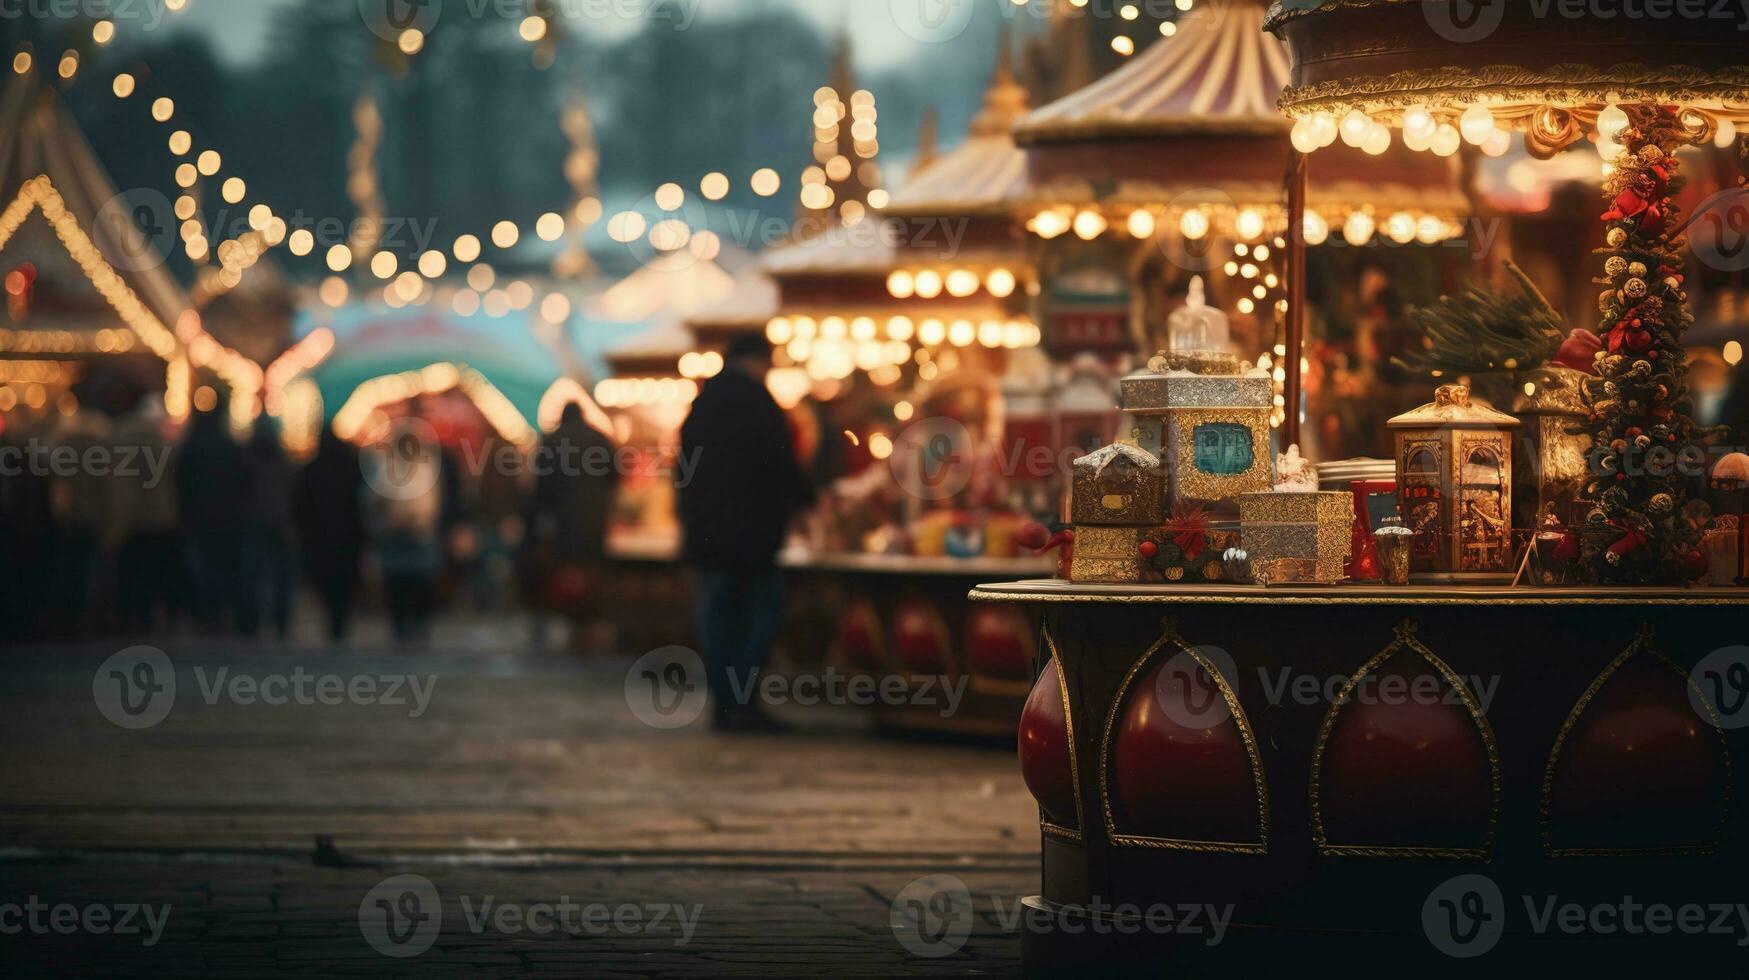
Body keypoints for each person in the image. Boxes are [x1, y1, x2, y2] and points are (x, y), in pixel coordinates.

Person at [678, 335, 814, 731]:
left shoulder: (701, 405)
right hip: (751, 535)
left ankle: (725, 702)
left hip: (707, 534)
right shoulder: (759, 403)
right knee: (762, 611)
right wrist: (805, 502)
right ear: (759, 361)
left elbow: (684, 472)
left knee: (717, 619)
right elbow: (780, 464)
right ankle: (741, 699)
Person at [523, 403, 619, 646]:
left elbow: (541, 489)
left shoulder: (553, 441)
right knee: (592, 576)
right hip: (595, 522)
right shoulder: (599, 438)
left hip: (564, 524)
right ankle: (588, 628)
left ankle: (573, 627)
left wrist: (538, 526)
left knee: (567, 576)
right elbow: (615, 477)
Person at [176, 400, 249, 631]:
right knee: (225, 568)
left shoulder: (192, 446)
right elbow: (243, 483)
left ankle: (206, 614)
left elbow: (181, 483)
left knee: (203, 568)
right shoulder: (229, 446)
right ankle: (221, 613)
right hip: (227, 519)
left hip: (199, 519)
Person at [112, 397, 182, 633]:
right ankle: (152, 617)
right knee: (156, 571)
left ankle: (132, 617)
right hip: (159, 517)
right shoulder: (160, 442)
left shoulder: (121, 436)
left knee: (133, 572)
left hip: (130, 517)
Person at [294, 426, 369, 643]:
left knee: (327, 581)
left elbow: (301, 504)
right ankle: (339, 622)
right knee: (344, 583)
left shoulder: (312, 469)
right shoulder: (352, 468)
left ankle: (335, 622)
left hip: (320, 539)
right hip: (348, 538)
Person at [238, 418, 296, 639]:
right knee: (279, 576)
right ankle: (279, 621)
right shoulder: (284, 462)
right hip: (279, 525)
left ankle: (251, 622)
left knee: (252, 574)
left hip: (254, 524)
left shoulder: (245, 460)